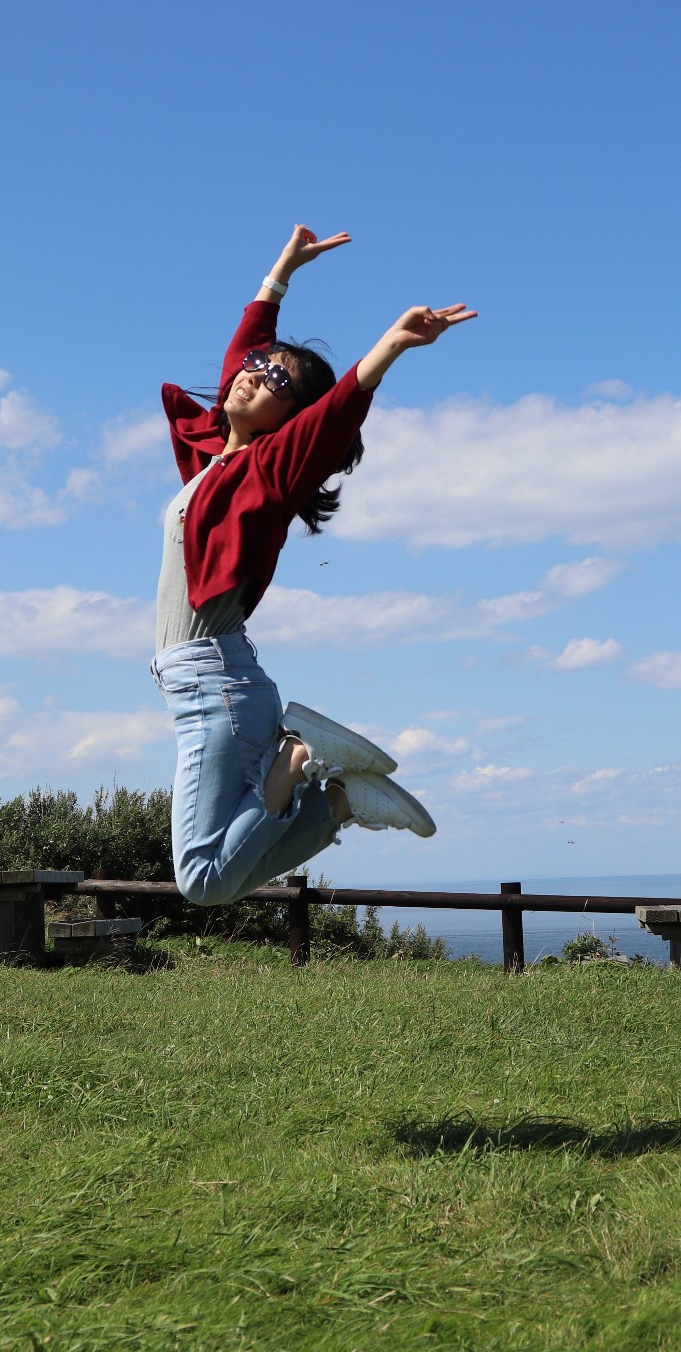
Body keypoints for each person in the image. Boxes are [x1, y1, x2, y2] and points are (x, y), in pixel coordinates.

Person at [151, 224, 476, 906]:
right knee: (225, 876)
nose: (253, 375)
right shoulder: (215, 454)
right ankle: (337, 805)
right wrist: (281, 273)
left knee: (203, 881)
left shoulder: (267, 470)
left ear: (288, 421)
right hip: (205, 685)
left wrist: (390, 346)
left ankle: (299, 756)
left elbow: (331, 418)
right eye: (255, 369)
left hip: (219, 689)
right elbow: (244, 352)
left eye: (275, 381)